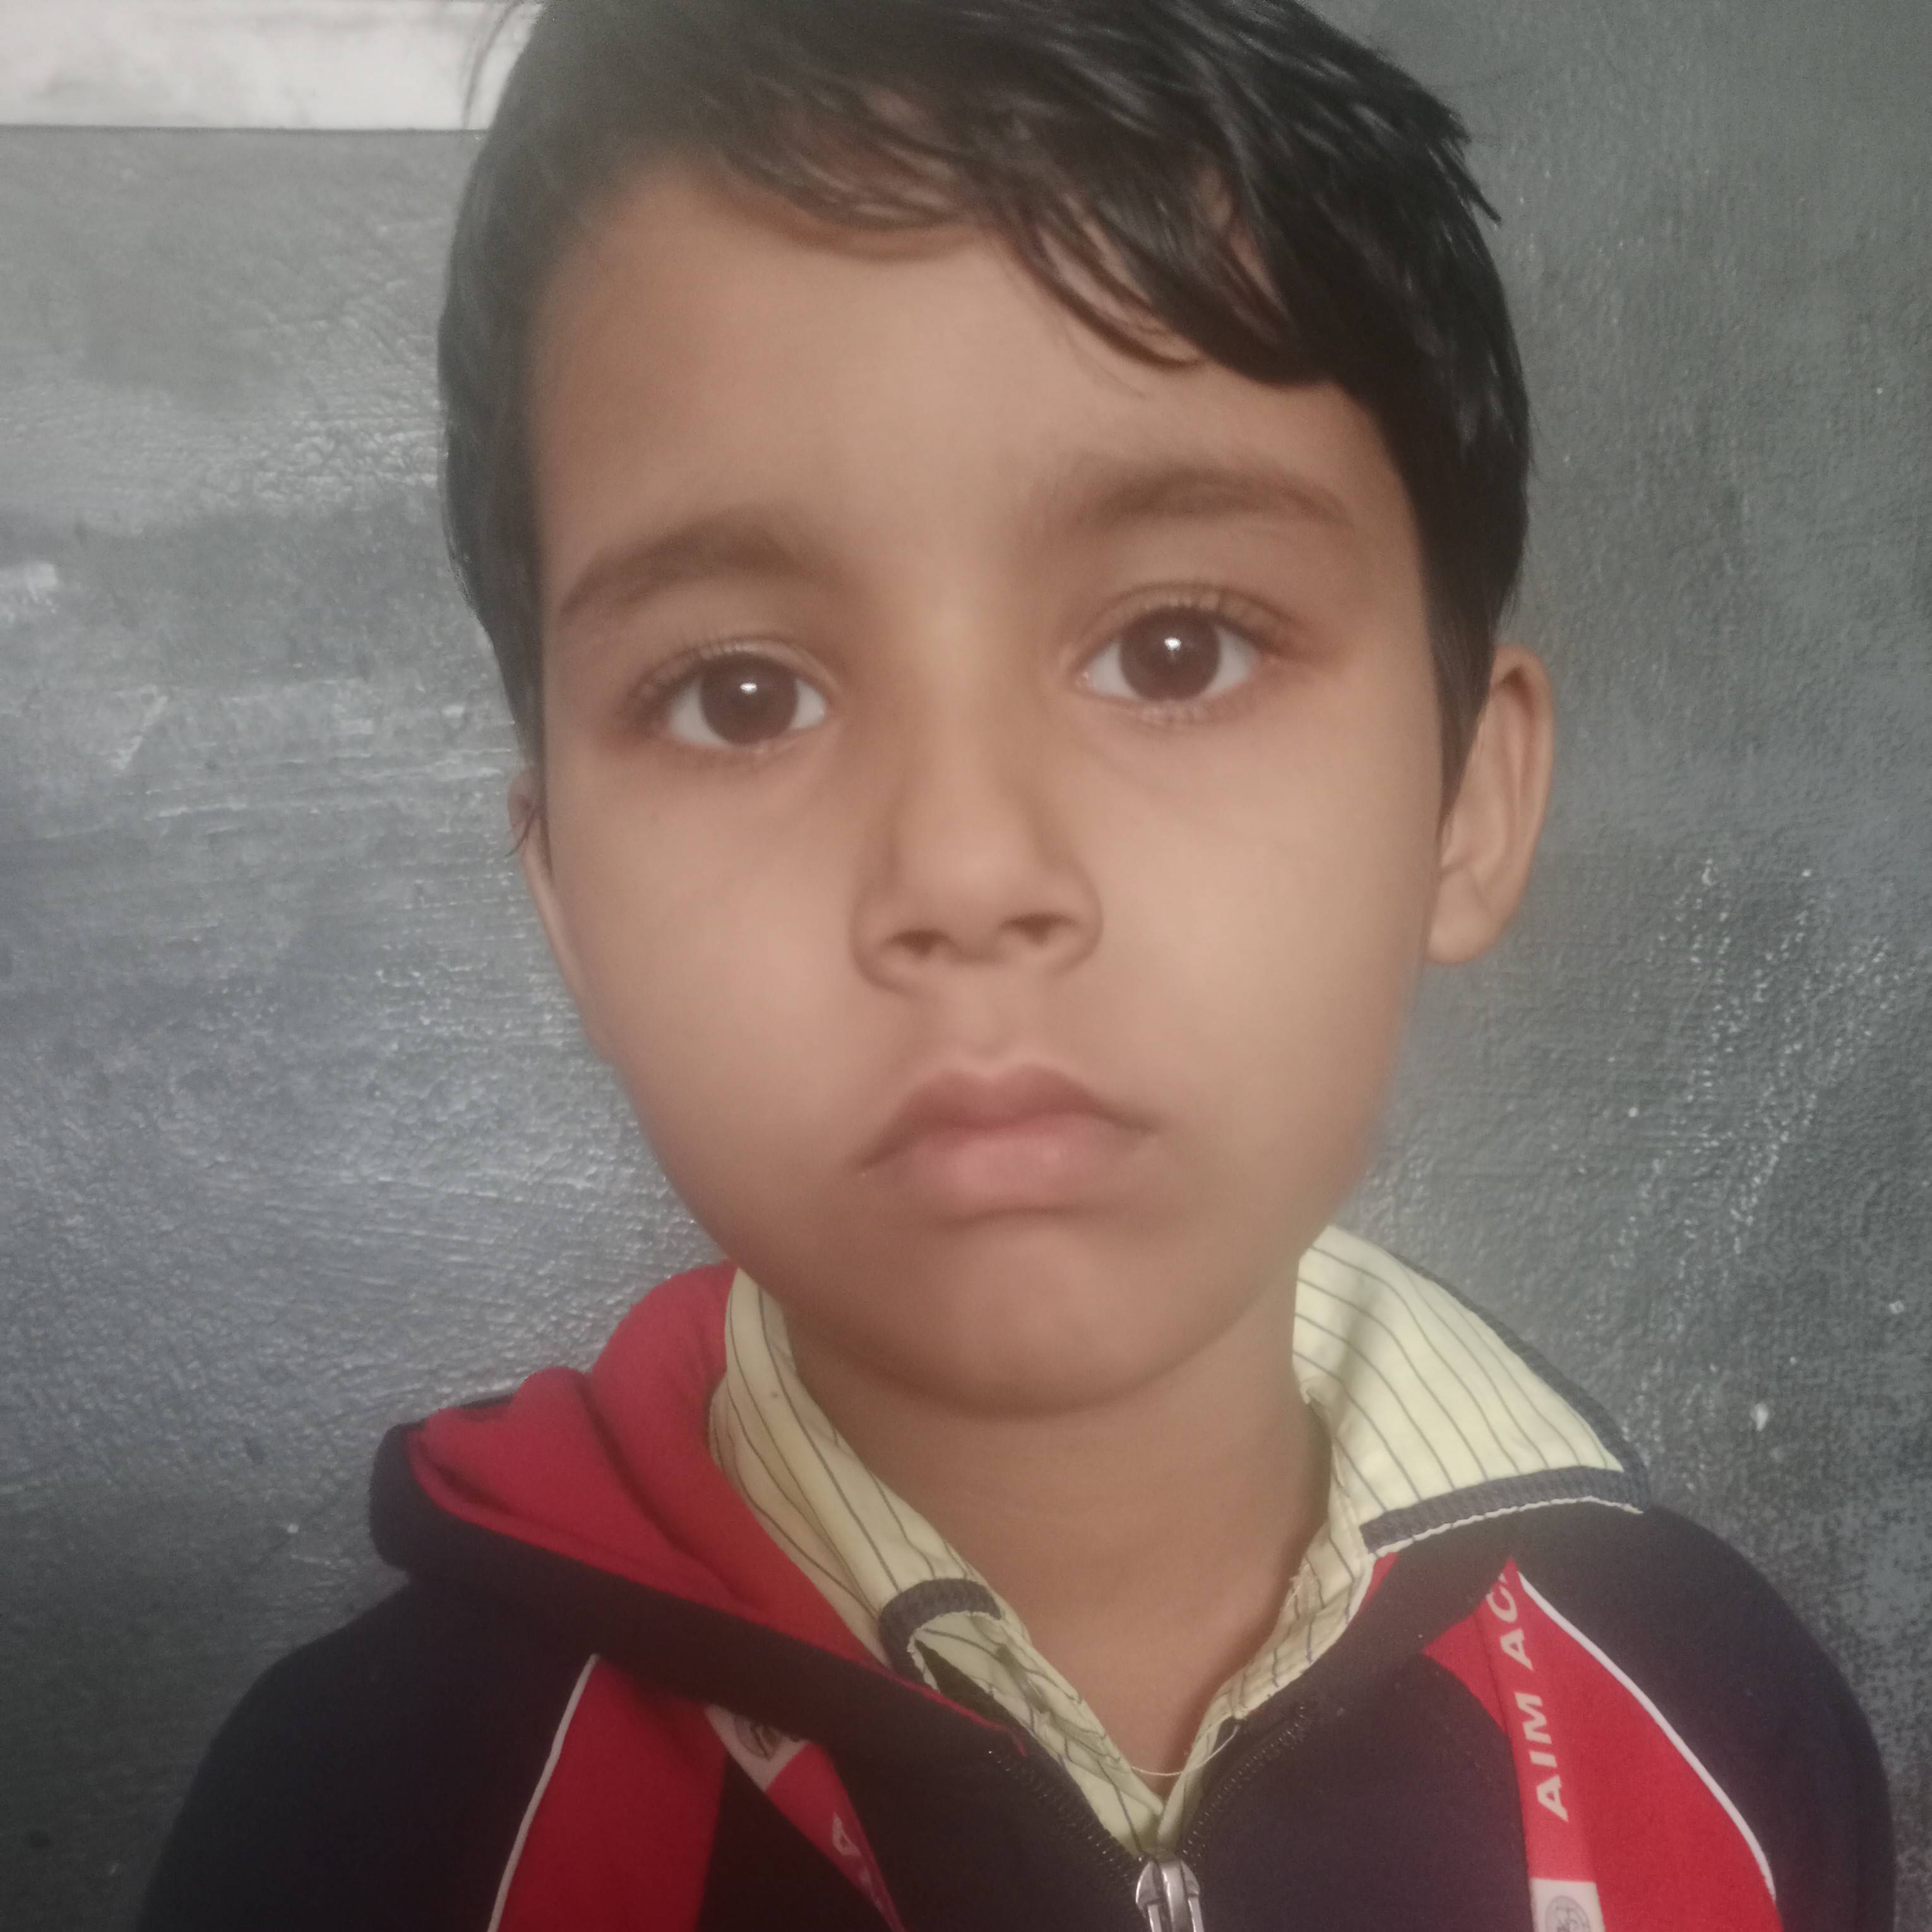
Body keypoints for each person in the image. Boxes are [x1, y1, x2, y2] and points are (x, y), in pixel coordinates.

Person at [137, 1, 1893, 1926]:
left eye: (1174, 649)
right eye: (740, 695)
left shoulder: (1722, 1733)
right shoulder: (370, 1834)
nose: (966, 871)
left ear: (1466, 792)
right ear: (560, 892)